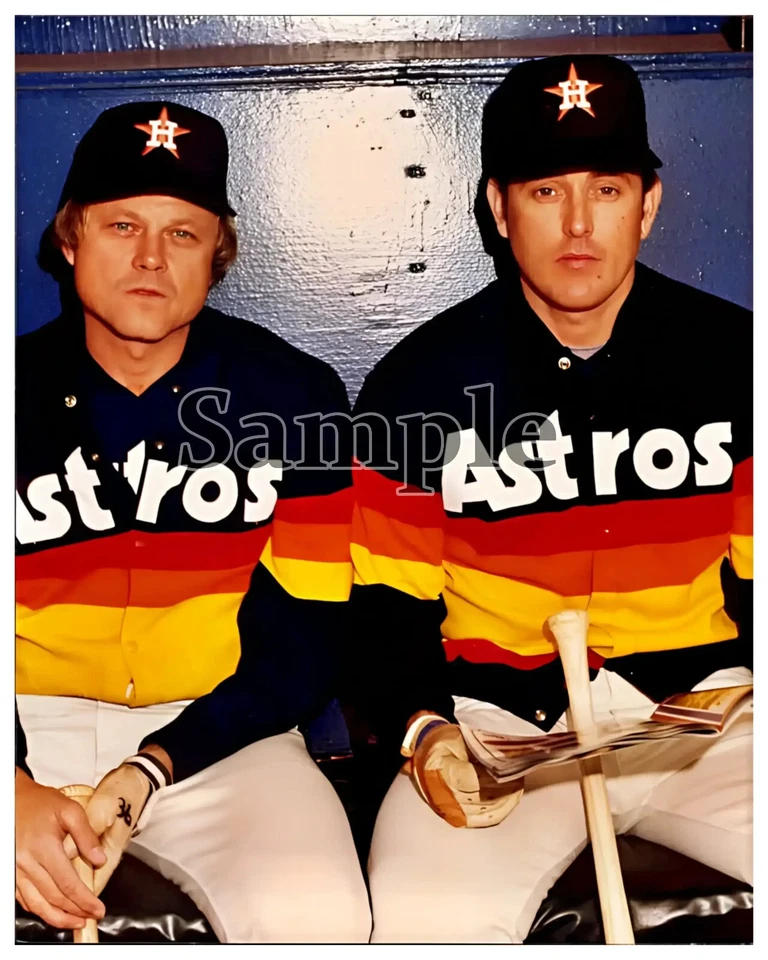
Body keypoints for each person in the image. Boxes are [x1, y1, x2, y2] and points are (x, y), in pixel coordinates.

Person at [350, 55, 752, 942]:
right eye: (543, 192)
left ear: (647, 204)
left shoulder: (736, 357)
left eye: (606, 189)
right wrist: (424, 733)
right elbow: (382, 611)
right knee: (424, 916)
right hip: (503, 733)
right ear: (499, 209)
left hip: (706, 718)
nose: (578, 225)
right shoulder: (419, 383)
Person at [15, 101, 371, 943]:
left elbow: (309, 637)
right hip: (28, 723)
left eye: (183, 233)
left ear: (218, 254)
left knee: (320, 913)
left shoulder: (296, 396)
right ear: (71, 240)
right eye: (122, 225)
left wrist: (156, 762)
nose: (149, 257)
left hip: (225, 738)